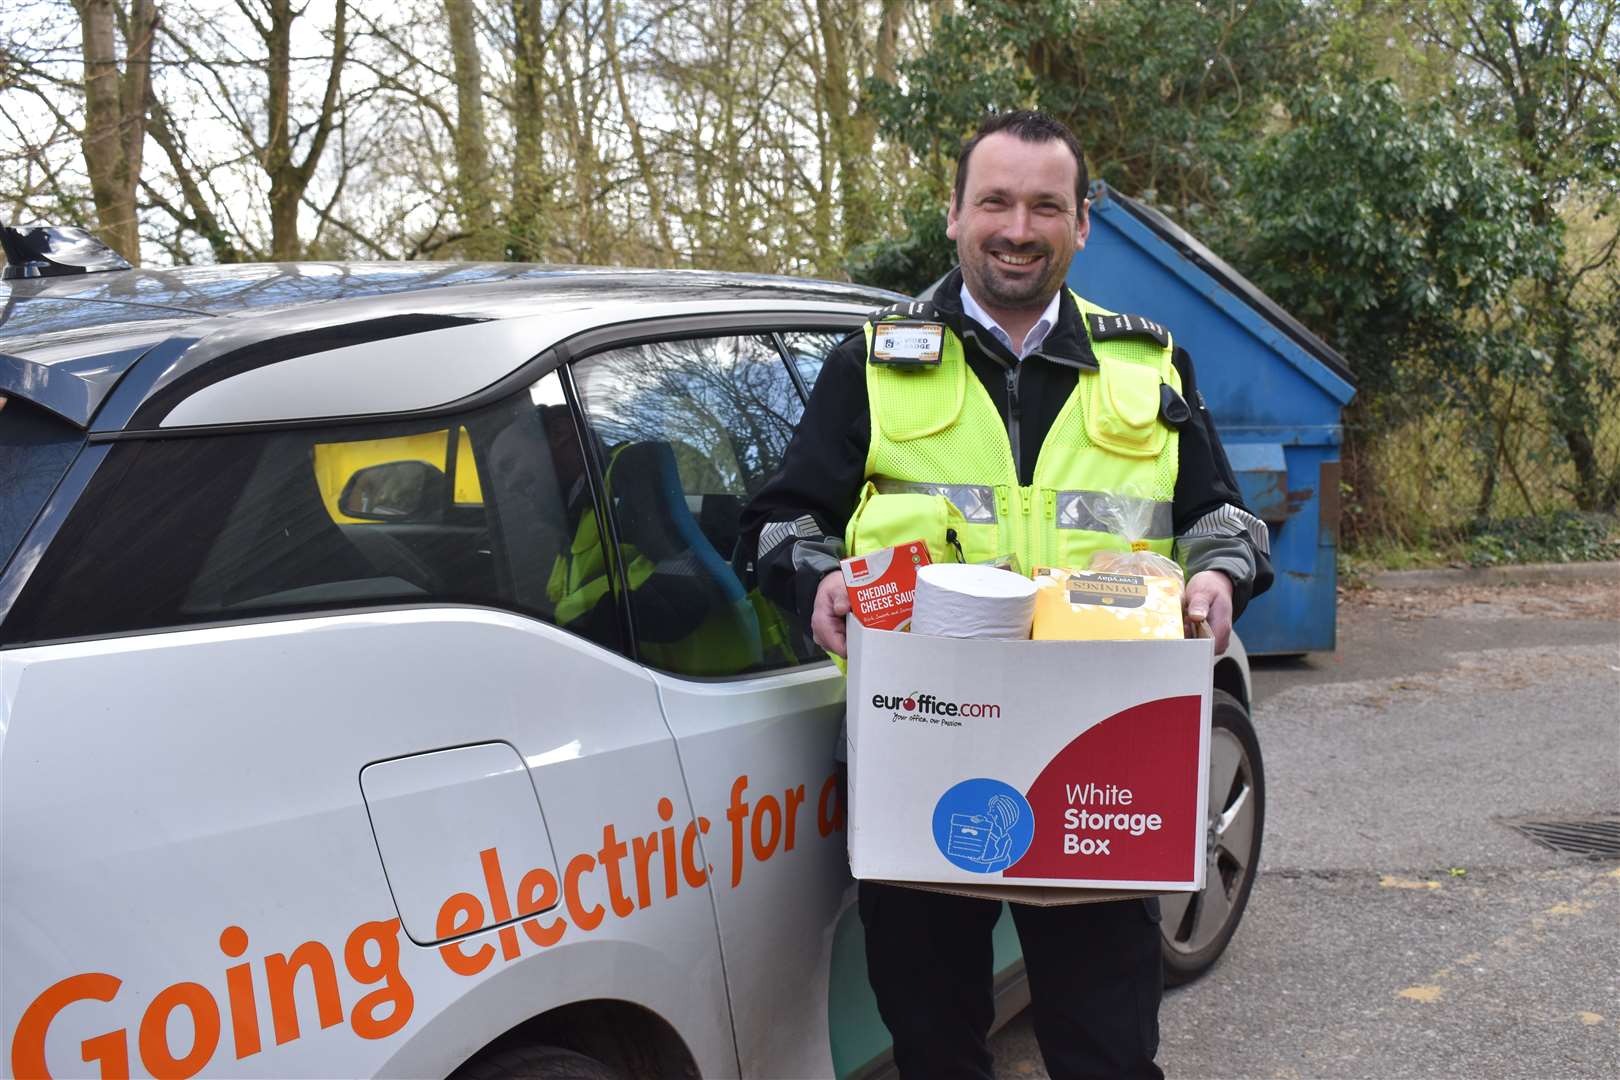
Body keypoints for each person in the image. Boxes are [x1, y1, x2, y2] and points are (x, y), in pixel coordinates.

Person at [740, 110, 1272, 1080]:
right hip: (928, 751)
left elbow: (1225, 520)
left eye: (1044, 206)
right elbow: (780, 522)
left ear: (1081, 226)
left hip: (1099, 754)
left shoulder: (1146, 366)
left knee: (1108, 1053)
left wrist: (1218, 573)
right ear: (953, 215)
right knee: (937, 1049)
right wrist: (816, 583)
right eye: (995, 201)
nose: (1017, 227)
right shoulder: (871, 362)